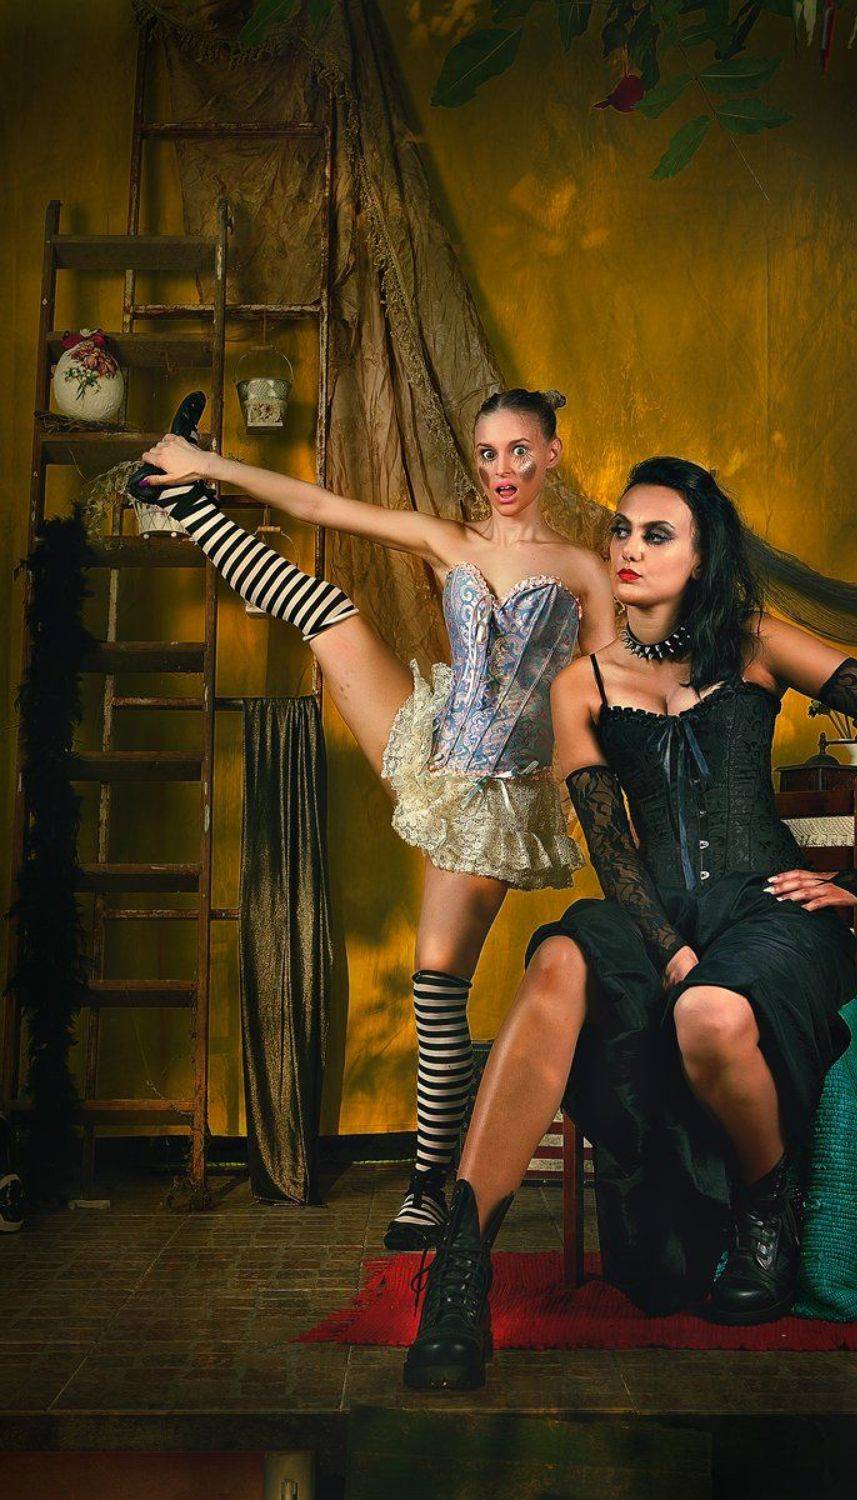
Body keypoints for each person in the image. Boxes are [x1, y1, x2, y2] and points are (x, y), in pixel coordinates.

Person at [403, 456, 857, 1392]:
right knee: (558, 962)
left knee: (709, 1013)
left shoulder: (754, 644)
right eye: (622, 529)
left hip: (767, 912)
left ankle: (766, 1210)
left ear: (700, 557)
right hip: (648, 908)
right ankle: (460, 1271)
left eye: (657, 534)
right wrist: (670, 951)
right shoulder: (579, 684)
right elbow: (612, 849)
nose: (628, 547)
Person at [132, 388, 616, 1246]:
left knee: (436, 984)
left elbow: (615, 692)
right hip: (435, 744)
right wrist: (206, 463)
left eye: (519, 451)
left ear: (552, 454)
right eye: (488, 453)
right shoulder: (452, 541)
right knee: (327, 614)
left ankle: (429, 1186)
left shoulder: (585, 572)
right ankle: (181, 497)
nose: (502, 469)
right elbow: (321, 506)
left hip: (497, 793)